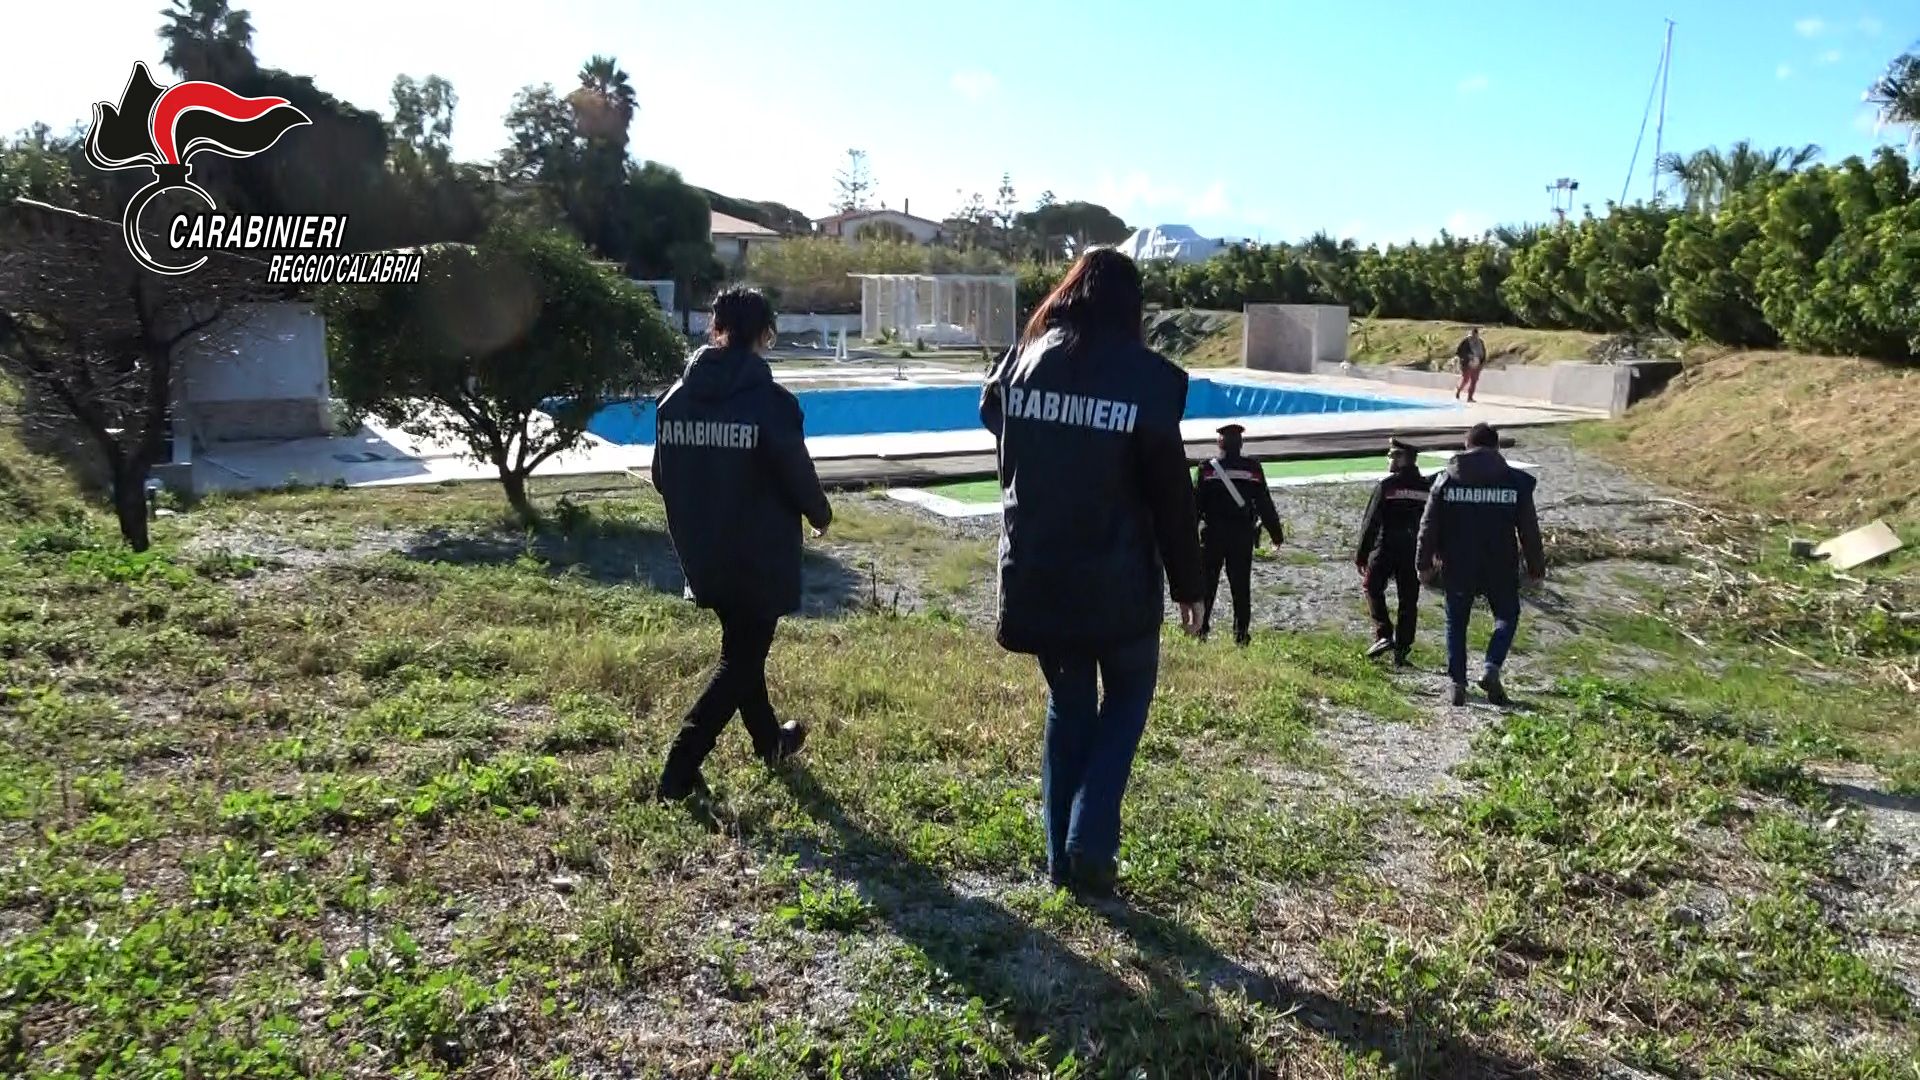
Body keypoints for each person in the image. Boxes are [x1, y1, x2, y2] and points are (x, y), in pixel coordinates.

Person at [980, 248, 1205, 898]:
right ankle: (1090, 837)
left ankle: (1061, 865)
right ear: (1130, 307)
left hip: (1038, 576)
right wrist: (1190, 586)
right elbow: (1171, 493)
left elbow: (994, 422)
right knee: (1128, 697)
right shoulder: (1152, 379)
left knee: (1068, 706)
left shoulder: (1018, 365)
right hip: (1118, 584)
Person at [652, 286, 832, 801]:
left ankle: (770, 742)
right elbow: (796, 474)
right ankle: (679, 769)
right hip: (758, 554)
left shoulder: (675, 400)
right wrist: (820, 514)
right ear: (765, 332)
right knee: (742, 660)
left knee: (742, 646)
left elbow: (662, 477)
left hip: (702, 550)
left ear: (717, 328)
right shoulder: (771, 404)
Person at [1415, 423, 1546, 707]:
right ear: (1497, 447)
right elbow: (1529, 530)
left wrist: (1423, 564)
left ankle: (1457, 683)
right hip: (1500, 563)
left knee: (1456, 621)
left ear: (1466, 445)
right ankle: (1491, 666)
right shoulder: (1515, 482)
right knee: (1507, 615)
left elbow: (1428, 526)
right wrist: (1536, 567)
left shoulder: (1445, 481)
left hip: (1457, 563)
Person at [1195, 423, 1285, 647]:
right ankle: (1241, 635)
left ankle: (1201, 630)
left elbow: (1194, 506)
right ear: (1241, 444)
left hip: (1212, 535)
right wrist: (1276, 533)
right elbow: (1264, 503)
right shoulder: (1252, 469)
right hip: (1241, 536)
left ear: (1220, 443)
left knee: (1207, 585)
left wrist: (1187, 536)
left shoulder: (1207, 469)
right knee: (1241, 587)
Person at [1354, 437, 1433, 665]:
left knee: (1371, 586)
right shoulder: (1427, 487)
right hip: (1414, 550)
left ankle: (1384, 633)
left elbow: (1371, 523)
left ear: (1403, 458)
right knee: (1408, 599)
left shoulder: (1387, 486)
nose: (1389, 460)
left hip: (1386, 547)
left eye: (1392, 456)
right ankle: (1403, 648)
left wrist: (1361, 555)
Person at [1454, 327, 1487, 402]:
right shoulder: (1466, 341)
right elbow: (1459, 352)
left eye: (1476, 334)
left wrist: (1482, 362)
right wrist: (1468, 356)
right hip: (1467, 363)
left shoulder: (1480, 342)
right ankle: (1459, 391)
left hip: (1478, 363)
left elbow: (1483, 352)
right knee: (1466, 379)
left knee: (1474, 381)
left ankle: (1470, 397)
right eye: (1473, 334)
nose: (1474, 336)